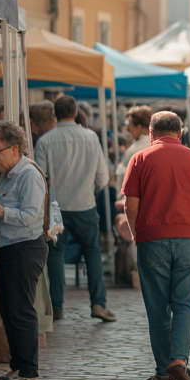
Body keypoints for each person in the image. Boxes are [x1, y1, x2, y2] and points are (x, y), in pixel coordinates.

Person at [121, 111, 190, 380]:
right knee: (185, 304)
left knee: (158, 307)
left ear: (151, 133)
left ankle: (164, 373)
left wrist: (137, 234)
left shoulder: (140, 158)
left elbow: (130, 206)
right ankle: (178, 360)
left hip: (152, 239)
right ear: (181, 132)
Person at [35, 95, 115, 322]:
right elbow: (103, 177)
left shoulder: (45, 140)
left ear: (55, 114)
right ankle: (98, 304)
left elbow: (39, 178)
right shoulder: (91, 137)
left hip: (56, 207)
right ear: (76, 112)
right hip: (85, 204)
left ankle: (57, 306)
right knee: (92, 252)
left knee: (56, 254)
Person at [0, 120, 48, 380]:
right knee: (9, 312)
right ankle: (17, 366)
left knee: (21, 311)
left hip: (25, 248)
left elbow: (31, 215)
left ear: (14, 149)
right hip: (7, 247)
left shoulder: (28, 174)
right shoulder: (7, 174)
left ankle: (29, 371)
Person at [115, 105, 151, 181]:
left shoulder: (140, 147)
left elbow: (124, 174)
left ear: (139, 126)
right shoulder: (147, 142)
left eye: (129, 123)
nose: (127, 128)